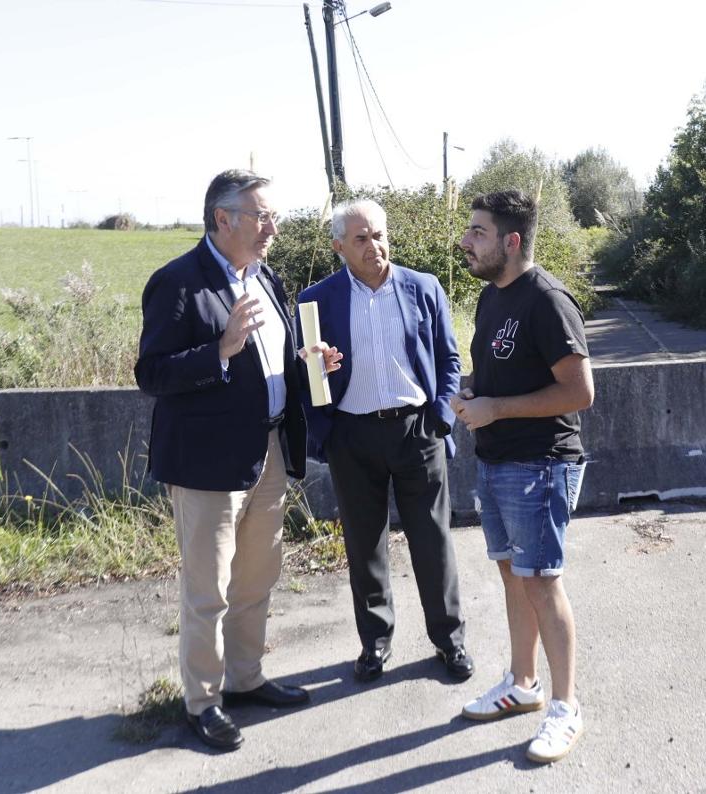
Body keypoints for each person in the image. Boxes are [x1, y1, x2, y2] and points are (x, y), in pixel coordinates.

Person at [135, 169, 340, 752]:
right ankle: (202, 701)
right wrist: (219, 349)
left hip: (269, 449)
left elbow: (270, 362)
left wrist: (310, 363)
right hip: (206, 464)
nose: (273, 227)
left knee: (257, 577)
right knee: (209, 589)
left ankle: (245, 679)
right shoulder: (177, 282)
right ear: (222, 219)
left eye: (273, 215)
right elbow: (151, 374)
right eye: (262, 216)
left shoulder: (266, 276)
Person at [296, 198, 473, 683]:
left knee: (433, 542)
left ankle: (449, 641)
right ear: (338, 247)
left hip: (417, 431)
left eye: (378, 235)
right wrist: (325, 430)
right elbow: (306, 374)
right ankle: (375, 643)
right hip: (352, 436)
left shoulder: (423, 287)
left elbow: (448, 361)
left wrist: (440, 419)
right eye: (360, 239)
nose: (373, 246)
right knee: (364, 545)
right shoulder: (316, 300)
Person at [452, 190, 594, 764]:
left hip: (540, 464)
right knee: (514, 576)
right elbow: (501, 374)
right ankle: (522, 684)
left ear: (511, 241)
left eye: (478, 232)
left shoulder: (546, 301)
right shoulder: (492, 297)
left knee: (541, 580)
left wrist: (497, 410)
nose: (467, 241)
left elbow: (580, 393)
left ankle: (565, 708)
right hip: (497, 460)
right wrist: (472, 390)